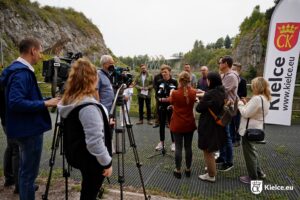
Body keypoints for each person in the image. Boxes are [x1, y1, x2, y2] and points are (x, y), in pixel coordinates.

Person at [0, 38, 59, 199]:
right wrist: (45, 104)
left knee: (24, 171)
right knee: (28, 175)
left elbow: (27, 97)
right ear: (33, 50)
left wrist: (47, 99)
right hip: (29, 130)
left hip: (21, 128)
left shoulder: (15, 70)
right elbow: (16, 102)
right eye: (40, 51)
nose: (40, 55)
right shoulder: (22, 73)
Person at [58, 58, 112, 199]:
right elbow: (94, 141)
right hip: (92, 160)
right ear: (92, 79)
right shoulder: (88, 107)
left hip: (80, 155)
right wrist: (107, 162)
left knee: (87, 189)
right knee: (90, 192)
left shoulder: (71, 100)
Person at [238, 77, 270, 184]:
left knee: (249, 154)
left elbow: (246, 113)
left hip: (249, 130)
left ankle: (253, 177)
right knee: (253, 151)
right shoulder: (265, 98)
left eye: (253, 85)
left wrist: (240, 104)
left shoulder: (257, 99)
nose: (251, 87)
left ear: (257, 86)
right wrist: (247, 103)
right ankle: (259, 172)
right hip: (257, 128)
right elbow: (255, 111)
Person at [196, 72, 226, 182]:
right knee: (212, 149)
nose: (207, 81)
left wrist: (201, 100)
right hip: (217, 123)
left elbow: (199, 108)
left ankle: (211, 175)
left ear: (211, 81)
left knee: (207, 150)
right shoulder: (222, 91)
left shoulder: (210, 94)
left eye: (208, 80)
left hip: (208, 124)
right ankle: (211, 169)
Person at [169, 71, 197, 179]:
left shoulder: (175, 93)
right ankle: (188, 169)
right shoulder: (193, 92)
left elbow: (171, 101)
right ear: (189, 81)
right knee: (188, 147)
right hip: (189, 123)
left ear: (179, 81)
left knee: (178, 148)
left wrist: (171, 92)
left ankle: (178, 169)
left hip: (177, 124)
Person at [217, 55, 239, 172]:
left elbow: (221, 91)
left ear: (225, 64)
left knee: (227, 135)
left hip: (228, 108)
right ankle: (222, 156)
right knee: (222, 134)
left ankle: (229, 162)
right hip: (224, 107)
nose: (219, 64)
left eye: (220, 62)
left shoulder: (231, 76)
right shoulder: (225, 75)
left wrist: (206, 93)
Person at [155, 64, 178, 152]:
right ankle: (161, 142)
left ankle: (174, 143)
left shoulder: (174, 82)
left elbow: (177, 94)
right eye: (162, 72)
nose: (164, 73)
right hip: (161, 106)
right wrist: (161, 99)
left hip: (171, 107)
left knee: (171, 124)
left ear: (169, 72)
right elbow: (156, 94)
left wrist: (171, 100)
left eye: (165, 72)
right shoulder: (159, 81)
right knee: (161, 125)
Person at [232, 62, 247, 147]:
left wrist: (235, 97)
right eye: (232, 69)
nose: (232, 71)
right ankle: (232, 138)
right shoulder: (231, 79)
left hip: (237, 105)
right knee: (230, 123)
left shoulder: (243, 81)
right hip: (230, 104)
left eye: (234, 69)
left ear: (239, 70)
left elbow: (244, 94)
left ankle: (237, 139)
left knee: (237, 122)